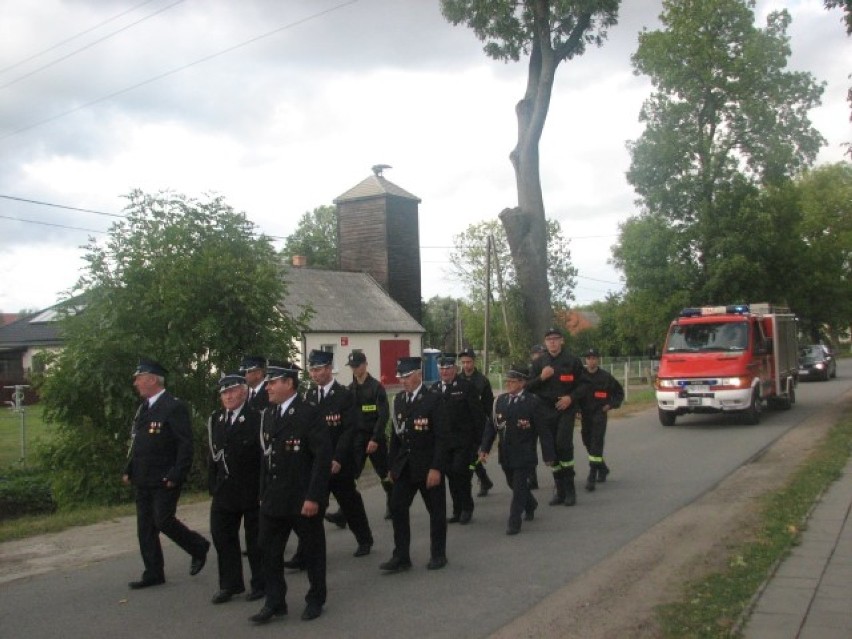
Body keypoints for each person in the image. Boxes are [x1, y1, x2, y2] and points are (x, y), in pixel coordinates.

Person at [252, 360, 331, 624]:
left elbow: (321, 459)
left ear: (289, 383)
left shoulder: (309, 413)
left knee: (312, 550)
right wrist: (262, 492)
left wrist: (314, 497)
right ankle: (275, 601)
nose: (268, 388)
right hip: (274, 498)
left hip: (301, 498)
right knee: (268, 551)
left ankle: (316, 598)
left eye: (273, 382)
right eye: (268, 383)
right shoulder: (269, 414)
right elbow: (266, 458)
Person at [123, 359, 210, 589]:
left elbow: (185, 445)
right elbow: (137, 442)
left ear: (152, 379)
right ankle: (153, 572)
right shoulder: (144, 408)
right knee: (145, 527)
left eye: (139, 378)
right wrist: (129, 468)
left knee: (163, 520)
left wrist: (177, 474)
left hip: (165, 476)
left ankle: (197, 546)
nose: (135, 383)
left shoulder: (174, 406)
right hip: (143, 476)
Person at [285, 349, 373, 563]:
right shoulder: (310, 396)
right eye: (312, 370)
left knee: (349, 501)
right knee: (312, 507)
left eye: (318, 369)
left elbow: (349, 430)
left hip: (338, 463)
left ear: (328, 369)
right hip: (316, 464)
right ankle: (304, 553)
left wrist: (338, 459)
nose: (314, 374)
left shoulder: (344, 396)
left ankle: (364, 539)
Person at [380, 356, 449, 572]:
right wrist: (391, 467)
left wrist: (436, 468)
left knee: (436, 511)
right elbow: (396, 438)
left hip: (428, 467)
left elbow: (442, 438)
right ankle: (401, 556)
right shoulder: (399, 400)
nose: (403, 381)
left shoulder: (434, 399)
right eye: (400, 377)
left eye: (407, 376)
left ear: (419, 375)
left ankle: (438, 554)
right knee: (397, 508)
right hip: (405, 467)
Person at [206, 372, 264, 604]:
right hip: (225, 490)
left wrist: (263, 489)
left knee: (256, 541)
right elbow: (212, 457)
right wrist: (213, 485)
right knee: (222, 536)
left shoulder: (257, 418)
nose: (227, 396)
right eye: (224, 393)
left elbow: (263, 458)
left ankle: (260, 583)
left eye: (231, 391)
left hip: (251, 488)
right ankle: (230, 584)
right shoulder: (216, 419)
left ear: (243, 391)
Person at [480, 364, 555, 535]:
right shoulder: (499, 401)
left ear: (522, 383)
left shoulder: (533, 402)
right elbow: (491, 427)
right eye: (507, 381)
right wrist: (484, 448)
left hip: (525, 454)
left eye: (512, 382)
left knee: (519, 486)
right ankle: (530, 504)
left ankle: (514, 522)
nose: (508, 385)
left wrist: (548, 454)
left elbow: (544, 431)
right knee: (511, 483)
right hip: (506, 452)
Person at [527, 327, 589, 507]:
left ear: (562, 341)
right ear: (545, 343)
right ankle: (559, 489)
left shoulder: (572, 361)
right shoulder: (540, 362)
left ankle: (570, 490)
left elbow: (584, 385)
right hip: (545, 410)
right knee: (551, 450)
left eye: (556, 339)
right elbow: (529, 386)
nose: (552, 342)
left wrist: (571, 398)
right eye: (549, 339)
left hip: (565, 408)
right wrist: (541, 377)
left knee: (563, 445)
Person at [432, 353, 485, 524]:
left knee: (460, 474)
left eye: (448, 368)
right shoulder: (434, 389)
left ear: (455, 369)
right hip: (444, 443)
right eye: (441, 368)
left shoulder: (466, 387)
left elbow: (477, 416)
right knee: (450, 476)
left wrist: (480, 443)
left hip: (463, 441)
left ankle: (467, 507)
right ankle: (457, 509)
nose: (444, 372)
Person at [346, 351, 393, 519]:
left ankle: (392, 502)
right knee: (352, 474)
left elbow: (384, 415)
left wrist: (375, 438)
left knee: (384, 473)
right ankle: (346, 511)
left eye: (357, 366)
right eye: (352, 366)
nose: (354, 369)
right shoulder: (350, 389)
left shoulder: (376, 387)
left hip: (375, 437)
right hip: (358, 438)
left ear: (365, 365)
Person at [579, 348, 624, 492]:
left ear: (598, 360)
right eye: (589, 358)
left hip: (599, 414)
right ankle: (603, 468)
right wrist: (577, 410)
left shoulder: (605, 377)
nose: (591, 361)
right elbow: (574, 394)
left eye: (594, 358)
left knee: (596, 444)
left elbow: (619, 393)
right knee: (587, 442)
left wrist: (610, 405)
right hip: (585, 415)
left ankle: (592, 476)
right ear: (585, 360)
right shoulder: (581, 376)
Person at [457, 348, 495, 497]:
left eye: (469, 362)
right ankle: (484, 479)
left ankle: (483, 481)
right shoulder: (458, 379)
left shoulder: (482, 380)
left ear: (474, 362)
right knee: (469, 456)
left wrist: (491, 426)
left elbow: (489, 405)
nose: (466, 365)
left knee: (474, 455)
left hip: (478, 425)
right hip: (462, 425)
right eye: (464, 362)